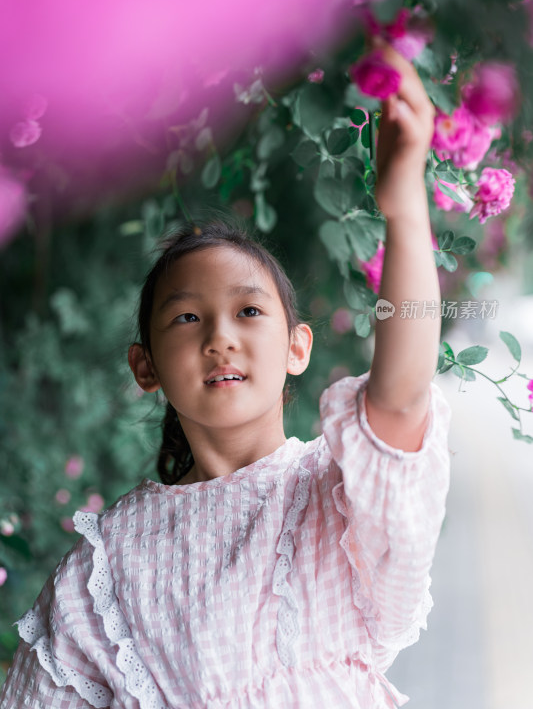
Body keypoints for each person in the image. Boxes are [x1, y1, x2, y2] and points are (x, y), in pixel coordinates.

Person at [0, 43, 451, 709]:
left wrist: (404, 209)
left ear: (297, 348)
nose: (219, 337)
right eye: (186, 319)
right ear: (144, 366)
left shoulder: (330, 499)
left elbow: (401, 395)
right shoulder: (106, 571)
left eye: (247, 310)